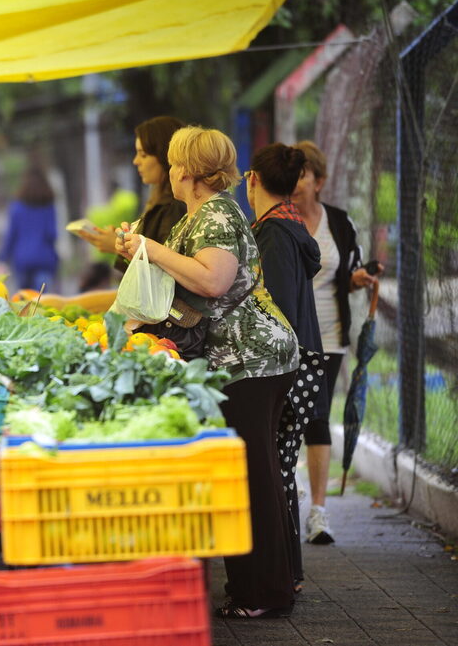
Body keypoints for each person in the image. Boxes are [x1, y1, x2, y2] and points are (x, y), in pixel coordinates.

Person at [115, 126, 299, 619]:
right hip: (241, 361)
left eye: (176, 163)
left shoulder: (216, 214)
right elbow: (187, 285)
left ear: (189, 171)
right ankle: (262, 588)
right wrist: (137, 253)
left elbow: (214, 281)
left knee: (252, 476)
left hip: (250, 361)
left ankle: (263, 594)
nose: (171, 171)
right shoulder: (200, 215)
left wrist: (149, 248)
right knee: (252, 472)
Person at [292, 140, 380, 545]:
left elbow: (350, 271)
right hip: (288, 339)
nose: (296, 182)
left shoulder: (340, 223)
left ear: (319, 181)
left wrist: (358, 279)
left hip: (329, 338)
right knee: (288, 418)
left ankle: (319, 513)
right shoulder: (279, 222)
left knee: (317, 418)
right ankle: (289, 496)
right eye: (292, 174)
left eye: (303, 174)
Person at [246, 143, 325, 594]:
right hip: (303, 361)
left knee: (275, 471)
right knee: (280, 468)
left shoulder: (274, 234)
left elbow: (275, 313)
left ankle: (283, 575)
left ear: (253, 179)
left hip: (287, 365)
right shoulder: (289, 226)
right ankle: (289, 573)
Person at [77, 116, 187, 271]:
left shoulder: (173, 208)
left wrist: (118, 247)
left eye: (143, 155)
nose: (136, 161)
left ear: (166, 156)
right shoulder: (159, 203)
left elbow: (164, 274)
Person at [0, 165, 59, 291]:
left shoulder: (17, 207)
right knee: (41, 299)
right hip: (44, 259)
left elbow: (11, 236)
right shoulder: (48, 207)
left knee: (24, 298)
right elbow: (52, 234)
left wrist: (2, 258)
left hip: (22, 259)